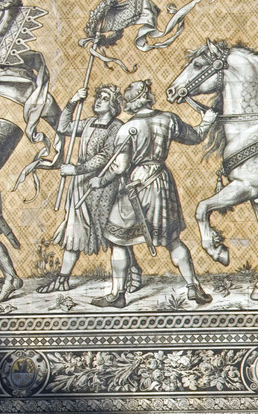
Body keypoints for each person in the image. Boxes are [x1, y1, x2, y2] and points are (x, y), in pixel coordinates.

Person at [89, 79, 216, 308]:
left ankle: (117, 294)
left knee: (119, 241)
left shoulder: (128, 128)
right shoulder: (168, 119)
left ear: (130, 103)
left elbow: (120, 167)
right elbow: (196, 136)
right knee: (173, 240)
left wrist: (101, 180)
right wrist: (207, 121)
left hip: (135, 186)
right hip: (161, 182)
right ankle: (193, 286)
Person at [44, 84, 134, 295]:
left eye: (104, 98)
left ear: (113, 105)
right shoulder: (89, 123)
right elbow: (63, 127)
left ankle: (132, 273)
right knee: (74, 229)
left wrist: (77, 168)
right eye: (98, 97)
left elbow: (105, 156)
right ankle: (63, 279)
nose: (98, 101)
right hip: (81, 182)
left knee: (111, 232)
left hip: (103, 183)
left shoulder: (116, 127)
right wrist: (72, 102)